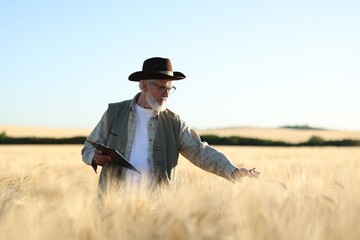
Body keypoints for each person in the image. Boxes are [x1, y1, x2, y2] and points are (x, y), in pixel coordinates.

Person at [81, 57, 259, 193]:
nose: (166, 94)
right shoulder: (114, 112)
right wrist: (94, 157)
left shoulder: (174, 123)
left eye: (169, 88)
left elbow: (200, 152)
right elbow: (88, 147)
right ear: (143, 85)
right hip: (113, 204)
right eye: (161, 88)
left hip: (157, 210)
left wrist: (233, 172)